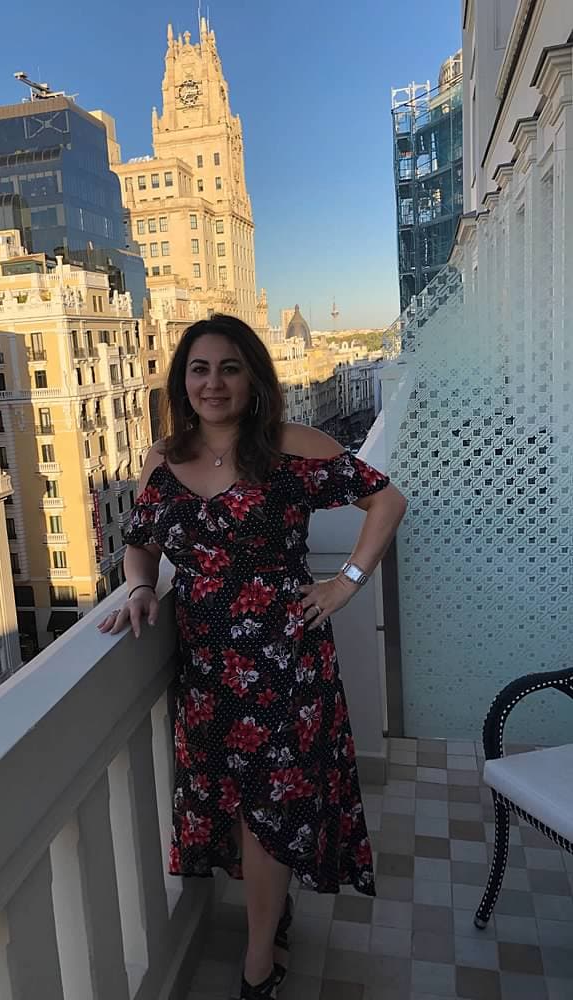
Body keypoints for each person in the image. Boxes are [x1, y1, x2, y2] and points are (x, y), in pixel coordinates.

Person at [98, 315, 407, 999]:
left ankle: (259, 959)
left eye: (230, 368)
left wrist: (345, 583)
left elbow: (386, 500)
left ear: (253, 377)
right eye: (199, 369)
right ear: (183, 380)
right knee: (242, 809)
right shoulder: (162, 458)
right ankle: (277, 916)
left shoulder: (291, 448)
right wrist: (142, 585)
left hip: (286, 663)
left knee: (269, 810)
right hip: (209, 668)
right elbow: (141, 537)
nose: (213, 383)